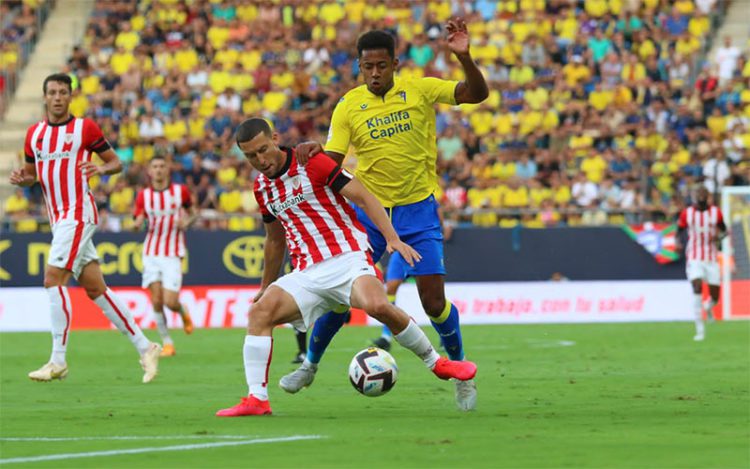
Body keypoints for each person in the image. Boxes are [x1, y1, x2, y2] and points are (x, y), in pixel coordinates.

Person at [284, 19, 488, 411]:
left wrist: (464, 58)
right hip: (368, 216)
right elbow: (335, 161)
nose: (374, 73)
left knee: (433, 302)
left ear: (395, 63)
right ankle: (309, 365)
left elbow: (475, 93)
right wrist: (313, 150)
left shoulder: (422, 88)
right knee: (339, 297)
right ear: (360, 67)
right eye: (367, 67)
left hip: (418, 211)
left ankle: (461, 372)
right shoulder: (348, 105)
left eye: (381, 65)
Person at [215, 118, 477, 417]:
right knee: (259, 313)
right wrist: (265, 286)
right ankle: (257, 399)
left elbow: (364, 196)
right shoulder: (262, 188)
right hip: (307, 272)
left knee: (376, 304)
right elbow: (275, 240)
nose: (260, 160)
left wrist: (391, 238)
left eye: (263, 150)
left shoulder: (312, 162)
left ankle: (437, 364)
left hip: (348, 257)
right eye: (250, 156)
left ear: (275, 138)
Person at [9, 73, 161, 383]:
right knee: (96, 289)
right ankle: (146, 347)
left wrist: (100, 168)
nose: (57, 97)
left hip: (79, 213)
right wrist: (24, 179)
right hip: (58, 218)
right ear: (44, 96)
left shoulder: (85, 128)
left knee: (53, 279)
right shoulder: (34, 135)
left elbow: (116, 163)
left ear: (70, 97)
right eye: (52, 92)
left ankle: (57, 360)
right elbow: (31, 173)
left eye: (63, 92)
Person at [133, 155, 197, 357]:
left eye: (162, 166)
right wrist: (136, 224)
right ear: (149, 172)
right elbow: (138, 218)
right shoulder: (143, 195)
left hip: (173, 253)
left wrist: (186, 222)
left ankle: (182, 311)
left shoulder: (181, 192)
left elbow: (193, 213)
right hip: (151, 252)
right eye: (155, 166)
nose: (159, 170)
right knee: (157, 301)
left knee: (170, 301)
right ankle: (167, 343)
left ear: (167, 170)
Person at [677, 186, 727, 341]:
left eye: (704, 193)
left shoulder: (716, 213)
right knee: (697, 287)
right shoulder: (687, 213)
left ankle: (708, 308)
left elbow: (724, 230)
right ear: (694, 196)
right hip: (694, 256)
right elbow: (679, 229)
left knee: (715, 296)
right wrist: (677, 241)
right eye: (698, 193)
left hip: (711, 258)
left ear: (708, 196)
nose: (701, 195)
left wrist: (718, 238)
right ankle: (699, 330)